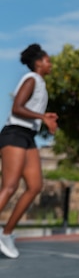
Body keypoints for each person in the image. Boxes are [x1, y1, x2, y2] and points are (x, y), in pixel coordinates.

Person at [0, 44, 58, 258]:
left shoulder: (41, 84)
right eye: (48, 60)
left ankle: (6, 233)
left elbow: (30, 110)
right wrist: (43, 118)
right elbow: (17, 107)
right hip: (14, 133)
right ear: (39, 62)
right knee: (10, 185)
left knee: (35, 186)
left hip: (28, 136)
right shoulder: (31, 79)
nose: (50, 64)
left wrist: (45, 116)